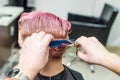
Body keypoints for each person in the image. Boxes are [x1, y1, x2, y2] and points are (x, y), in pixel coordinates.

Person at [6, 11, 84, 80]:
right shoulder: (77, 76)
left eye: (23, 46)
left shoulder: (22, 72)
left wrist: (24, 68)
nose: (20, 51)